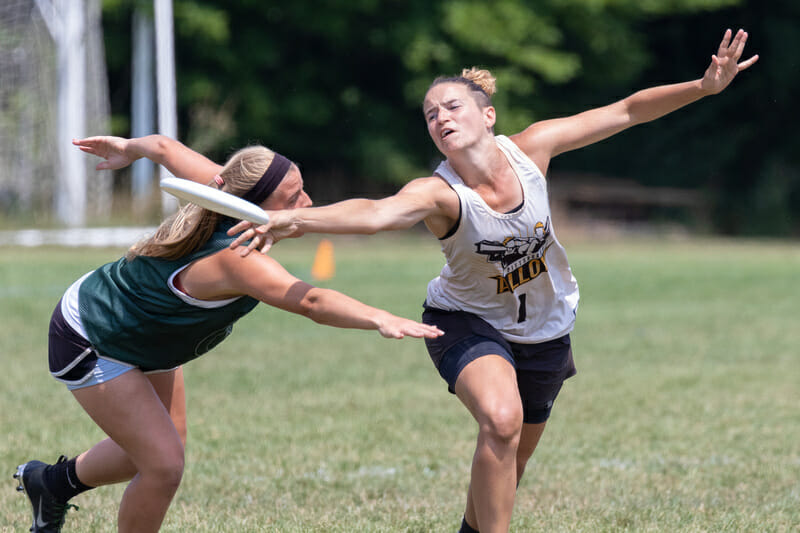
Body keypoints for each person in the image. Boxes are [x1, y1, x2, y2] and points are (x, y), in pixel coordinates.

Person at [228, 29, 758, 533]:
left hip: (546, 329)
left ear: (488, 115)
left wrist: (703, 87)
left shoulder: (532, 149)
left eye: (452, 107)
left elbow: (625, 111)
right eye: (431, 114)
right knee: (501, 421)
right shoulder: (439, 193)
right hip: (465, 321)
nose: (440, 118)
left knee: (510, 462)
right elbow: (376, 213)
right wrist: (296, 219)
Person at [13, 134, 444, 533]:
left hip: (147, 333)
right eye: (292, 197)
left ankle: (50, 484)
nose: (306, 202)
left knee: (152, 451)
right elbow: (310, 301)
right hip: (94, 333)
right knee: (162, 465)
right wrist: (379, 318)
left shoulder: (225, 191)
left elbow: (164, 147)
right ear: (253, 206)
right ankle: (51, 485)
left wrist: (131, 148)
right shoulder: (238, 257)